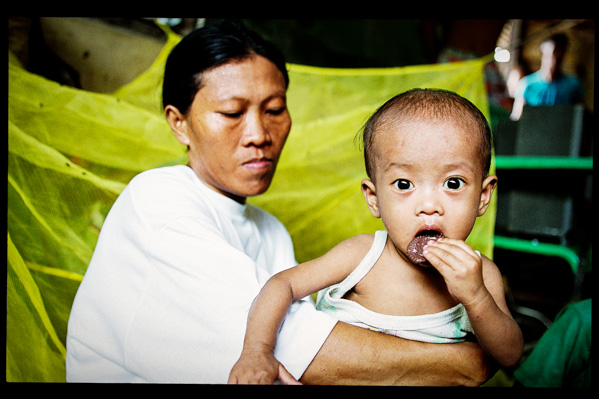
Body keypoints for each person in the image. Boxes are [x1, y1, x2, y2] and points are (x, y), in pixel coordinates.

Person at [66, 21, 493, 384]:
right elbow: (306, 352)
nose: (258, 133)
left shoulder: (269, 228)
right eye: (232, 113)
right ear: (179, 124)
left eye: (274, 109)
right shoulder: (157, 200)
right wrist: (469, 362)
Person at [229, 89, 523, 384]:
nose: (430, 206)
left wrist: (476, 297)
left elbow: (509, 356)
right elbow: (282, 284)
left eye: (453, 183)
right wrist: (257, 350)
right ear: (374, 199)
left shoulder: (482, 275)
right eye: (404, 184)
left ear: (483, 196)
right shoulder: (361, 256)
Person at [510, 33, 584, 120]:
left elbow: (580, 118)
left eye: (559, 53)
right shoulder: (527, 84)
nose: (554, 59)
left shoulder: (573, 85)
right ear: (542, 54)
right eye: (551, 54)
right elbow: (516, 118)